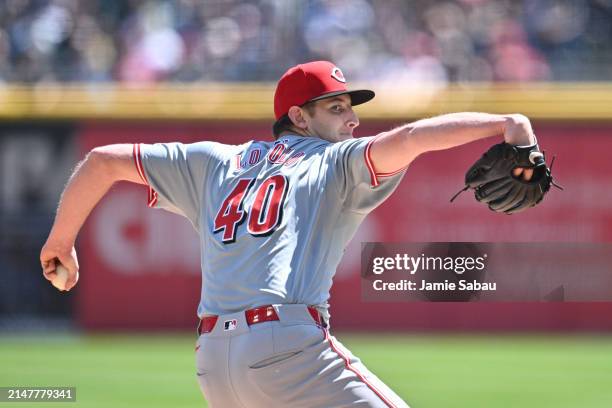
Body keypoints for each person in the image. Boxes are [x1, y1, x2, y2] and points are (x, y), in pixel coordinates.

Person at [40, 61, 537, 407]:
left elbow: (102, 162)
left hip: (213, 361)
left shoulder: (214, 160)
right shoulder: (334, 159)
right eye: (337, 108)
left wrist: (60, 242)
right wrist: (506, 124)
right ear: (299, 117)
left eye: (350, 107)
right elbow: (408, 140)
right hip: (287, 348)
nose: (353, 119)